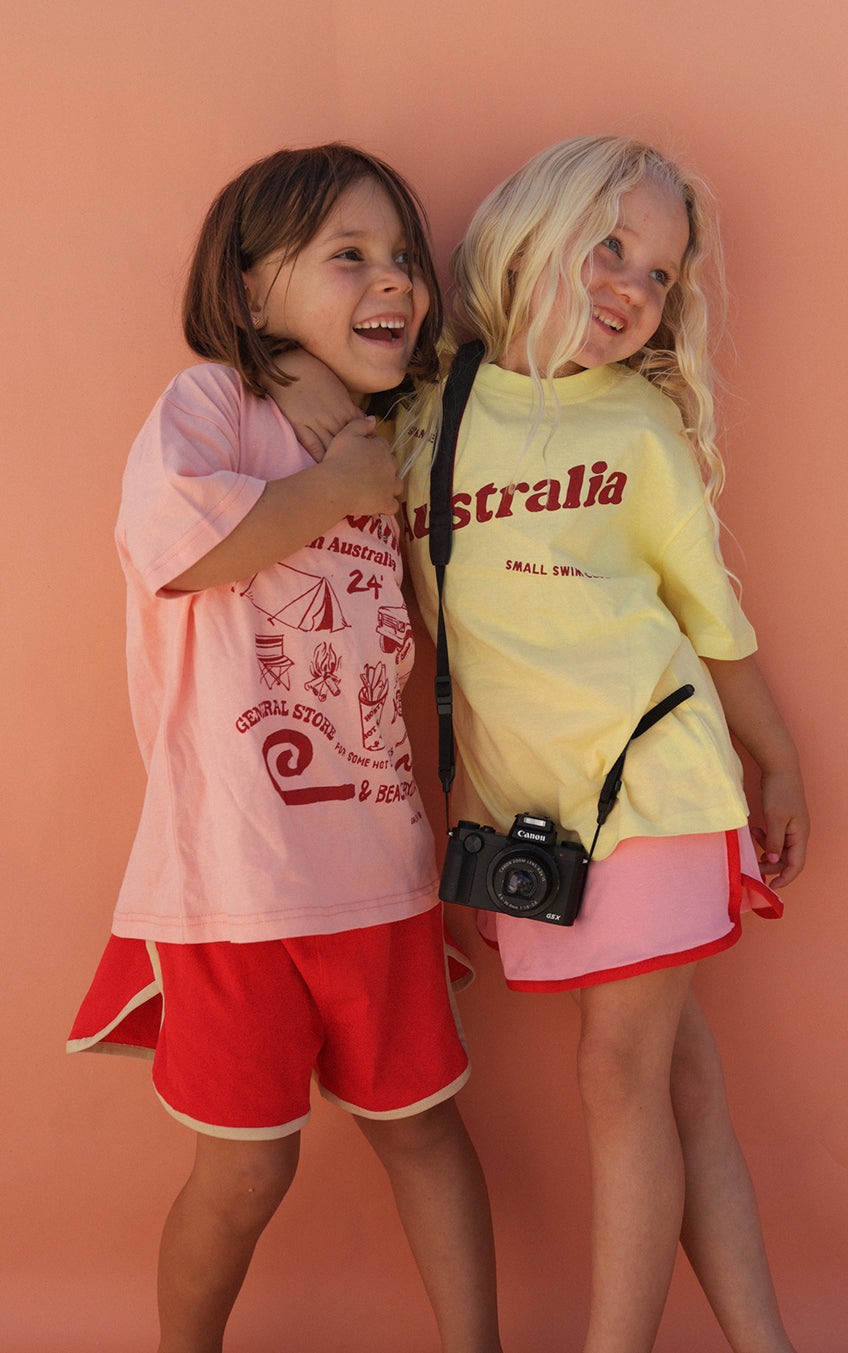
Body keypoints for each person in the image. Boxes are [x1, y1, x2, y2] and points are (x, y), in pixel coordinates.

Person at [270, 135, 809, 1353]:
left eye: (659, 274)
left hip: (654, 784)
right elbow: (305, 373)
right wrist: (298, 374)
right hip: (533, 818)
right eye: (609, 247)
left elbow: (709, 617)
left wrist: (775, 760)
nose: (631, 287)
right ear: (527, 236)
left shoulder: (641, 425)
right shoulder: (427, 415)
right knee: (678, 1085)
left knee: (618, 1079)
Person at [67, 143, 502, 1353]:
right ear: (254, 291)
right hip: (236, 886)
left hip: (380, 875)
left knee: (426, 1129)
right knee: (247, 1171)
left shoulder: (395, 437)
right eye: (348, 255)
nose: (395, 278)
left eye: (404, 257)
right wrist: (333, 478)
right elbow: (182, 549)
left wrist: (356, 435)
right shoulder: (211, 406)